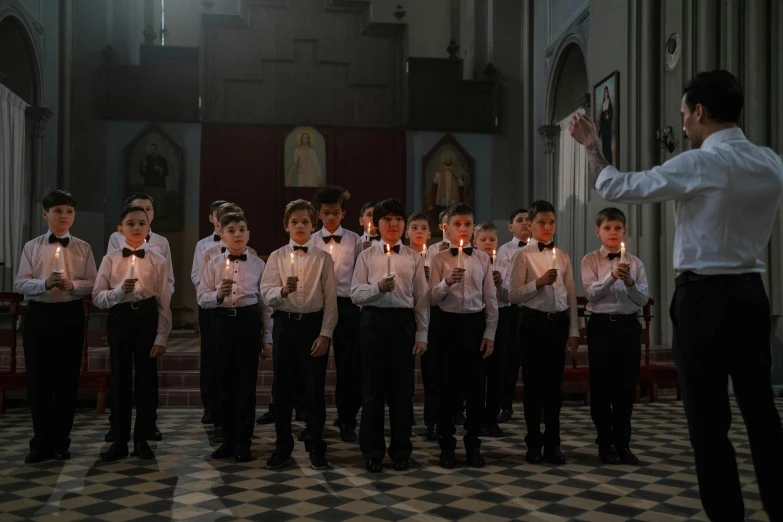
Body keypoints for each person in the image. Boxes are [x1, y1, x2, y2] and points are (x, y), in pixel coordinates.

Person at [569, 69, 783, 521]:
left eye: (685, 114)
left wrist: (591, 145)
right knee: (762, 414)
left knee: (708, 421)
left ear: (701, 112)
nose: (683, 124)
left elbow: (614, 185)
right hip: (751, 294)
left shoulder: (701, 162)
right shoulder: (770, 162)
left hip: (704, 299)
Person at [14, 190, 97, 463]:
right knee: (38, 382)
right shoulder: (32, 247)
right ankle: (40, 443)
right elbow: (20, 283)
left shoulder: (83, 247)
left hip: (69, 316)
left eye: (69, 211)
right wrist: (44, 284)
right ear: (45, 214)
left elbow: (93, 283)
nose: (64, 216)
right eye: (58, 210)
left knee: (66, 382)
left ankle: (62, 442)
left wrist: (73, 285)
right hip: (39, 316)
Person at [351, 199, 429, 472]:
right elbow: (355, 293)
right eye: (387, 219)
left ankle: (401, 451)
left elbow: (421, 299)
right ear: (378, 225)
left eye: (398, 219)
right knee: (372, 391)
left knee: (401, 392)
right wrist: (378, 288)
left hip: (402, 324)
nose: (393, 224)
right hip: (373, 321)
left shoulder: (413, 257)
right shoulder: (365, 256)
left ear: (404, 225)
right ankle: (372, 452)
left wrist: (422, 334)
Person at [261, 200, 338, 470]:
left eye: (305, 222)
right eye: (294, 222)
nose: (300, 226)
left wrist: (326, 334)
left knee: (314, 390)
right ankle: (283, 447)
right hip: (285, 325)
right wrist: (282, 291)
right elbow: (265, 293)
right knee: (282, 389)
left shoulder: (323, 258)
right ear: (286, 226)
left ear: (313, 226)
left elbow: (330, 301)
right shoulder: (277, 257)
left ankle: (317, 447)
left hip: (313, 327)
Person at [93, 205, 171, 461]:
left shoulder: (158, 260)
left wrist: (161, 336)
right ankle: (119, 440)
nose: (136, 228)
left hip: (147, 318)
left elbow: (164, 301)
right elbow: (97, 297)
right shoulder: (110, 259)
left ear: (149, 229)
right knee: (120, 378)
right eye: (131, 223)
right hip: (121, 318)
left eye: (141, 223)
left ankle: (143, 438)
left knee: (147, 380)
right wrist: (118, 292)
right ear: (120, 229)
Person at [508, 200, 579, 465]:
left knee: (554, 389)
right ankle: (533, 443)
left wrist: (573, 330)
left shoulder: (562, 256)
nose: (547, 227)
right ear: (530, 224)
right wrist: (538, 283)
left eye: (551, 222)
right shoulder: (522, 255)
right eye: (541, 222)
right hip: (533, 323)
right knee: (533, 387)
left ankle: (553, 444)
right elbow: (513, 294)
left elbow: (570, 293)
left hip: (558, 324)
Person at [197, 213, 272, 462]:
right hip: (220, 322)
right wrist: (217, 295)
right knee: (223, 384)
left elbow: (265, 305)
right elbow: (202, 297)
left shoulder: (259, 265)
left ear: (249, 234)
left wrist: (267, 337)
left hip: (248, 322)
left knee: (245, 386)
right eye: (232, 230)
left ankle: (244, 443)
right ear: (223, 235)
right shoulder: (213, 263)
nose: (237, 234)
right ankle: (227, 440)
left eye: (242, 229)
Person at [429, 203, 497, 469]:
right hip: (446, 326)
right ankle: (447, 446)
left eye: (468, 224)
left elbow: (490, 299)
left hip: (474, 326)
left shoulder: (482, 259)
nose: (463, 229)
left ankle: (473, 446)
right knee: (446, 390)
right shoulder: (438, 259)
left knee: (475, 390)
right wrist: (446, 282)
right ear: (447, 227)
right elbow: (432, 298)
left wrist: (490, 333)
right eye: (457, 224)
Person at [581, 208, 648, 465]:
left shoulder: (637, 263)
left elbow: (642, 299)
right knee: (601, 387)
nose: (613, 233)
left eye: (618, 228)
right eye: (607, 228)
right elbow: (591, 295)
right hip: (601, 327)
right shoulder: (590, 260)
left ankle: (623, 443)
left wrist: (630, 282)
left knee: (625, 386)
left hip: (629, 327)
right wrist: (611, 277)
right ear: (598, 231)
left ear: (625, 231)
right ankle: (605, 441)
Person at [310, 185, 363, 442]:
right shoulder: (309, 241)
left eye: (335, 213)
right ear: (319, 214)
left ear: (343, 214)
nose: (331, 217)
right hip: (318, 308)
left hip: (347, 307)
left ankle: (347, 420)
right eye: (326, 213)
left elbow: (361, 275)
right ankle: (314, 422)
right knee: (314, 367)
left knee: (348, 367)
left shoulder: (355, 240)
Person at [191, 199, 226, 426]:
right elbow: (196, 275)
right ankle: (209, 406)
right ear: (211, 218)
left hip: (235, 308)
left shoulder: (242, 244)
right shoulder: (203, 246)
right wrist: (211, 289)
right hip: (210, 305)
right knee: (209, 358)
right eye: (217, 215)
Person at [496, 208, 531, 423]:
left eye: (529, 220)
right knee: (509, 360)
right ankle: (505, 405)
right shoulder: (505, 250)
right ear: (511, 227)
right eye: (520, 220)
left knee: (534, 361)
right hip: (513, 308)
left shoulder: (542, 248)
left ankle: (538, 406)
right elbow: (504, 280)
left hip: (536, 308)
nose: (526, 223)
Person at [406, 212, 438, 439]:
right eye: (414, 227)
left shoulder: (436, 257)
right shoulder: (398, 255)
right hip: (406, 317)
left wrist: (429, 278)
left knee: (432, 373)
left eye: (423, 227)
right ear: (407, 232)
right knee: (404, 373)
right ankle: (404, 415)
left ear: (429, 232)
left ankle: (432, 420)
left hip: (432, 317)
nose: (419, 231)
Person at [473, 221, 506, 437]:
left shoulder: (503, 263)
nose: (488, 243)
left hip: (500, 319)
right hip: (476, 320)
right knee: (476, 373)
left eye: (492, 239)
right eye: (483, 239)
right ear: (474, 242)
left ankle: (492, 417)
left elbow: (511, 295)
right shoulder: (471, 261)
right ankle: (475, 416)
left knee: (496, 372)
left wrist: (500, 284)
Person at [107, 193, 174, 296]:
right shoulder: (116, 238)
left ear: (153, 213)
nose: (144, 213)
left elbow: (168, 278)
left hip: (151, 299)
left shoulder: (162, 242)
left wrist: (163, 297)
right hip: (122, 297)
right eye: (139, 208)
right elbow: (110, 272)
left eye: (148, 209)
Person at [139, 143, 168, 216]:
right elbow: (141, 172)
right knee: (149, 202)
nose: (153, 150)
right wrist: (144, 167)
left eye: (154, 148)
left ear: (157, 149)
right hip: (149, 184)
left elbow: (166, 172)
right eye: (151, 149)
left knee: (159, 202)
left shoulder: (162, 160)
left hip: (159, 184)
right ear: (150, 149)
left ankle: (159, 216)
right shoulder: (146, 159)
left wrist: (160, 169)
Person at [597, 86, 614, 165]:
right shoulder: (604, 103)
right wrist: (600, 127)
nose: (606, 94)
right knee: (604, 148)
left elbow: (611, 113)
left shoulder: (609, 103)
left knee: (608, 147)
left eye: (607, 92)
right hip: (604, 129)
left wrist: (608, 117)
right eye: (605, 92)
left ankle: (609, 162)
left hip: (608, 128)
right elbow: (601, 117)